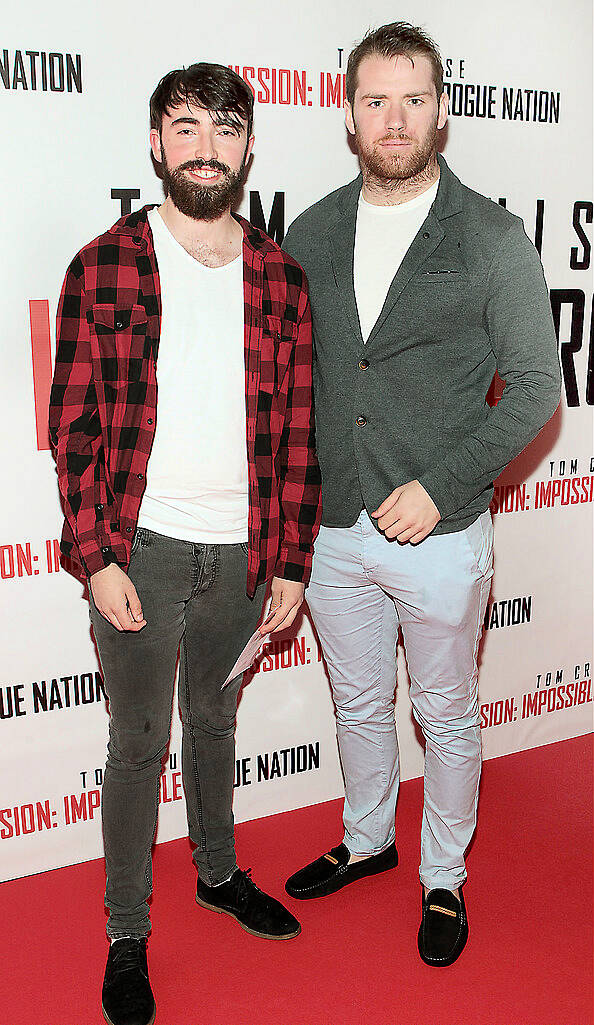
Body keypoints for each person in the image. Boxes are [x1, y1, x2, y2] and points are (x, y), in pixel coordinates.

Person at [282, 22, 560, 967]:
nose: (393, 119)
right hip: (330, 525)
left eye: (412, 99)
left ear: (442, 111)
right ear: (347, 113)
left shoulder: (489, 236)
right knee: (357, 700)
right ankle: (368, 838)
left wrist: (441, 489)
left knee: (442, 710)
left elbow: (534, 388)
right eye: (374, 100)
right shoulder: (312, 229)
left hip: (437, 533)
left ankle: (444, 874)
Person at [49, 62, 321, 1025]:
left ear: (249, 148)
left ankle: (217, 873)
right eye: (187, 126)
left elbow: (296, 432)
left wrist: (290, 559)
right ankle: (129, 934)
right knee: (136, 744)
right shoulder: (105, 266)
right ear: (157, 144)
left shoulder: (282, 279)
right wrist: (99, 559)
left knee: (214, 727)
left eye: (227, 128)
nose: (207, 146)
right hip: (142, 550)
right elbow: (74, 429)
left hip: (243, 556)